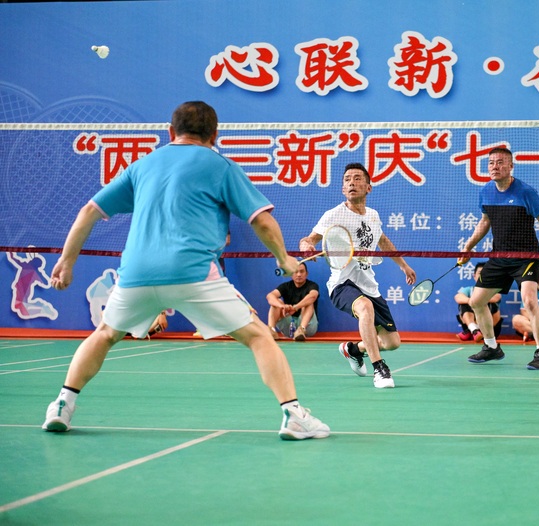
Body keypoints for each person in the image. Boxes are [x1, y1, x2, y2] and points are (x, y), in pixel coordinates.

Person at [42, 101, 329, 440]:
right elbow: (262, 221)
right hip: (193, 273)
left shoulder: (142, 165)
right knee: (258, 336)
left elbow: (89, 211)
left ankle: (62, 405)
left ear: (170, 132)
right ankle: (294, 415)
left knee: (104, 334)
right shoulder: (220, 166)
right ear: (215, 135)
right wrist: (284, 259)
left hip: (136, 274)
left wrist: (67, 261)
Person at [299, 162, 416, 388]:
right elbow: (309, 239)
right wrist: (306, 247)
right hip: (342, 283)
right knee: (365, 307)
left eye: (357, 178)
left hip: (368, 284)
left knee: (392, 342)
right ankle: (379, 368)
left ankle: (354, 349)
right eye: (347, 180)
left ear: (368, 187)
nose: (351, 183)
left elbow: (382, 240)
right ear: (343, 189)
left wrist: (403, 265)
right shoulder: (334, 215)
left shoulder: (373, 215)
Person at [457, 146, 539, 370]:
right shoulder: (486, 191)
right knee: (476, 301)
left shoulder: (525, 192)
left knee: (530, 301)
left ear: (511, 166)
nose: (495, 166)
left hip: (525, 257)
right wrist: (468, 247)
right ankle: (491, 347)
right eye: (491, 163)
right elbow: (485, 222)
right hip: (499, 257)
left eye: (500, 162)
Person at [266, 262, 320, 341]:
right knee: (276, 302)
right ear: (291, 274)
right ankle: (272, 331)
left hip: (308, 326)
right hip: (289, 326)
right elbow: (270, 296)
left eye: (302, 271)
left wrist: (295, 307)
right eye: (295, 272)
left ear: (306, 274)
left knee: (308, 302)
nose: (299, 274)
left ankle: (301, 330)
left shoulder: (312, 285)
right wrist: (282, 306)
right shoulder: (285, 286)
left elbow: (313, 296)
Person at [455, 262, 502, 342]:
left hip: (491, 329)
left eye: (485, 273)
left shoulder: (493, 290)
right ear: (474, 276)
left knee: (490, 304)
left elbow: (496, 297)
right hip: (473, 327)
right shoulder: (468, 289)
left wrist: (476, 301)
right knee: (464, 304)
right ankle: (474, 330)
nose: (482, 276)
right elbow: (458, 297)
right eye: (480, 273)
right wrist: (470, 301)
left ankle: (473, 330)